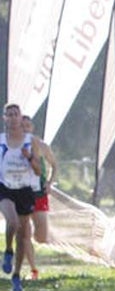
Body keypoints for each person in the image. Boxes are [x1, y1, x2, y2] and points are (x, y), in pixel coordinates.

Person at [0, 103, 41, 291]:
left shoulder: (30, 141)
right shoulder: (1, 140)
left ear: (21, 117)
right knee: (12, 222)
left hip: (25, 189)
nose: (13, 117)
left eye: (16, 114)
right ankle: (7, 251)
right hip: (5, 188)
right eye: (9, 115)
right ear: (4, 118)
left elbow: (38, 171)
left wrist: (30, 158)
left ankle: (16, 276)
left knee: (23, 236)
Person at [18, 115, 56, 280]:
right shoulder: (13, 147)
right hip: (20, 193)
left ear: (32, 127)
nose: (25, 129)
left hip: (39, 193)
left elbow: (54, 165)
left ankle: (32, 237)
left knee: (41, 237)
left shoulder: (41, 145)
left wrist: (49, 183)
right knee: (24, 233)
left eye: (28, 126)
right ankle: (33, 270)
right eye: (22, 126)